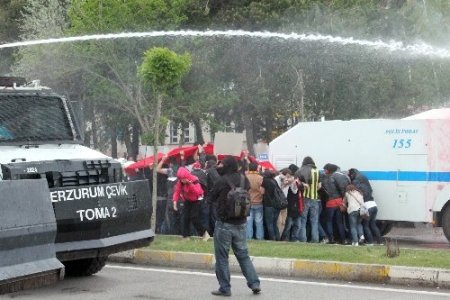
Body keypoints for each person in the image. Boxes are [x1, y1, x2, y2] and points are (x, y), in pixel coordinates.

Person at [210, 156, 261, 296]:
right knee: (243, 255)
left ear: (225, 166)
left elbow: (211, 198)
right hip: (241, 222)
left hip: (224, 224)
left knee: (222, 257)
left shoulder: (221, 181)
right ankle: (254, 283)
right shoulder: (244, 179)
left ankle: (225, 288)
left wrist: (217, 172)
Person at [172, 167, 210, 241]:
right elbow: (177, 192)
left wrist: (190, 184)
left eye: (183, 179)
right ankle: (186, 236)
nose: (182, 181)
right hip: (187, 200)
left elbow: (198, 192)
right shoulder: (180, 182)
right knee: (185, 217)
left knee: (194, 217)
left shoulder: (195, 180)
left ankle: (205, 234)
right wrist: (174, 202)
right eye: (181, 179)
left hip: (196, 200)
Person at [348, 168, 383, 245]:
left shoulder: (355, 182)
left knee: (365, 225)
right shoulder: (364, 178)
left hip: (367, 206)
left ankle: (370, 242)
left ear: (352, 174)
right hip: (374, 204)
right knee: (373, 224)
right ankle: (380, 242)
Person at [295, 156, 322, 243]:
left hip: (304, 198)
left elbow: (297, 184)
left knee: (303, 220)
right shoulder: (317, 171)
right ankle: (315, 239)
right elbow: (319, 186)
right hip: (315, 199)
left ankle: (303, 239)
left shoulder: (300, 171)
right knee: (314, 220)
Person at [322, 163, 349, 244]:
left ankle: (331, 238)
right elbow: (342, 189)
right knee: (340, 222)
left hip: (330, 202)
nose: (324, 171)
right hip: (339, 201)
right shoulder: (338, 177)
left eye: (325, 169)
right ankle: (343, 239)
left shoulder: (325, 178)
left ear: (328, 170)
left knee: (329, 221)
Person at [245, 162, 264, 240]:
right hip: (258, 202)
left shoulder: (245, 177)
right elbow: (262, 191)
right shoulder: (260, 178)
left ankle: (249, 237)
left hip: (247, 202)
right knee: (259, 222)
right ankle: (260, 237)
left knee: (248, 222)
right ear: (257, 168)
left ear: (249, 168)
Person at [261, 170, 280, 241]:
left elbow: (262, 191)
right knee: (274, 223)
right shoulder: (274, 181)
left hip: (268, 204)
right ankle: (277, 237)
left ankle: (272, 238)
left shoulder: (265, 181)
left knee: (269, 223)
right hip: (276, 204)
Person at [274, 168, 295, 236]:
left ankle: (280, 235)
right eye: (287, 176)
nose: (288, 178)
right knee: (279, 221)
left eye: (289, 176)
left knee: (283, 222)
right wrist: (284, 184)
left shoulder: (289, 180)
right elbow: (277, 190)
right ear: (284, 174)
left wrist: (293, 183)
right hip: (277, 202)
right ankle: (278, 236)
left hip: (284, 202)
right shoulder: (277, 179)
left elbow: (294, 191)